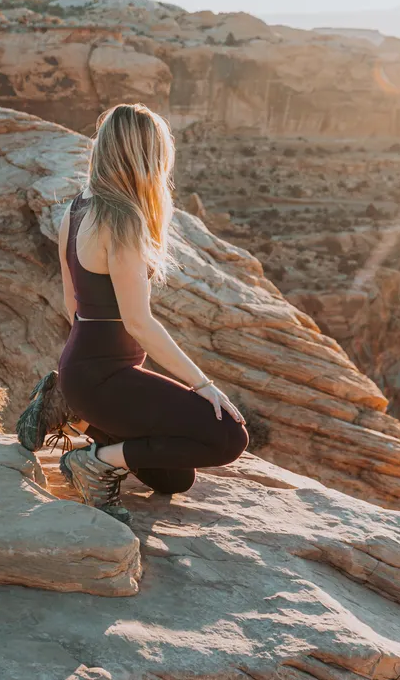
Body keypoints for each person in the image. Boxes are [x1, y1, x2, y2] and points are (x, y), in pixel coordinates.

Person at [19, 103, 249, 524]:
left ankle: (73, 410)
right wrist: (203, 386)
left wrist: (87, 383)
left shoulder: (78, 208)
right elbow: (138, 323)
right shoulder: (122, 220)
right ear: (146, 156)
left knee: (173, 479)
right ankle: (95, 460)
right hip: (104, 378)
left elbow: (72, 302)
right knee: (228, 438)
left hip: (82, 371)